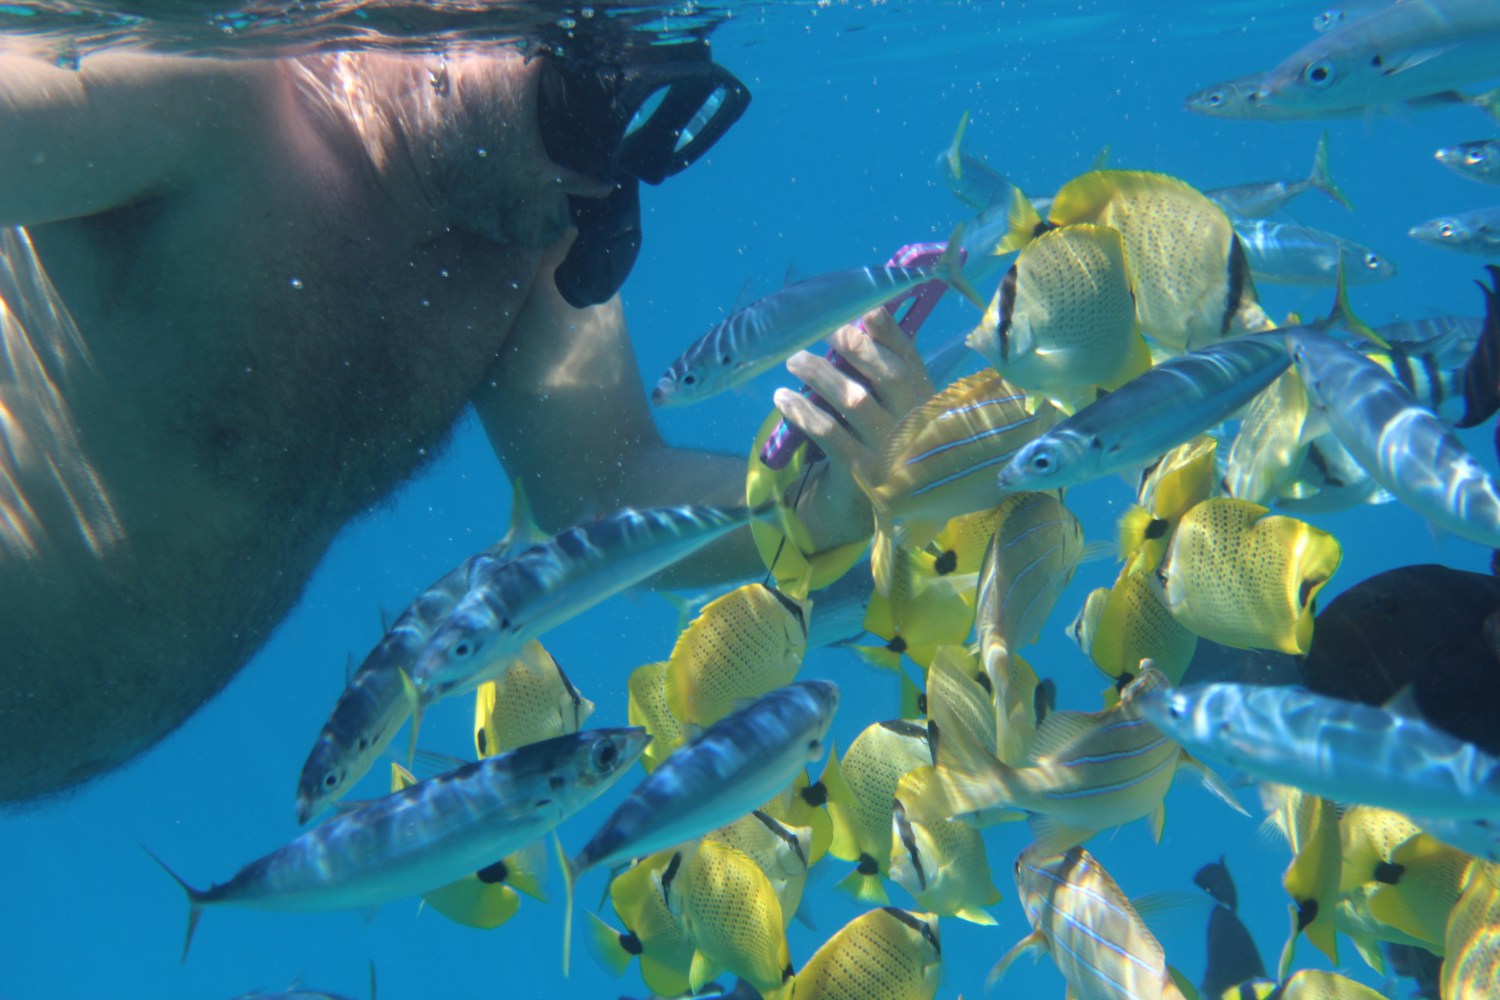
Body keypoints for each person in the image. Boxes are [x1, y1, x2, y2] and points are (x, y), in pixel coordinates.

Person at [0, 29, 934, 802]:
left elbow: (606, 490)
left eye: (633, 134)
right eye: (579, 102)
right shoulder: (206, 96)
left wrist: (819, 507)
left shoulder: (525, 239)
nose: (600, 194)